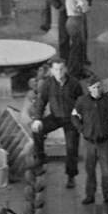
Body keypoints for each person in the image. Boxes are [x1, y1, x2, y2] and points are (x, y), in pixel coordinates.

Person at [29, 56, 81, 186]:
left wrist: (79, 114)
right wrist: (37, 119)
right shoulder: (48, 84)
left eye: (61, 69)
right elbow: (41, 101)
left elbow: (81, 100)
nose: (59, 72)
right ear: (52, 71)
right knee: (37, 131)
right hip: (55, 117)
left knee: (71, 148)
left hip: (71, 119)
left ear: (66, 69)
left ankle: (71, 175)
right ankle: (41, 159)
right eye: (56, 70)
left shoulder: (74, 83)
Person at [76, 70, 108, 209]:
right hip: (88, 142)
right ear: (89, 88)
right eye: (94, 87)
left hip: (104, 142)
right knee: (89, 170)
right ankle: (90, 195)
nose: (97, 90)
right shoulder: (82, 102)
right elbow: (74, 116)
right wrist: (81, 129)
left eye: (99, 87)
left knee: (106, 170)